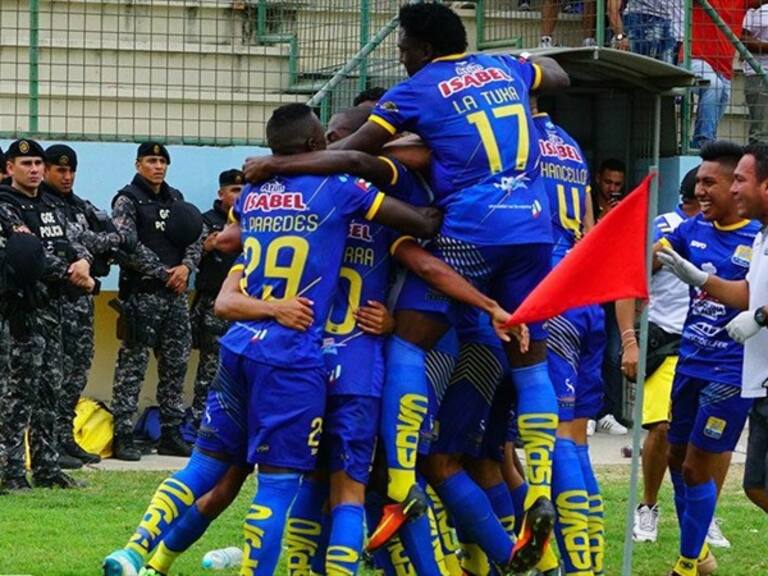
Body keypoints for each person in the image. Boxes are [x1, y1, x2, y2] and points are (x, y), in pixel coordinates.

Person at [102, 103, 444, 576]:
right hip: (304, 355)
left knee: (205, 470)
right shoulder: (342, 191)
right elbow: (422, 223)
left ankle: (137, 550)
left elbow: (232, 253)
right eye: (328, 140)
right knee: (296, 488)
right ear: (313, 146)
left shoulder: (253, 194)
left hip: (242, 346)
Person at [334, 3, 570, 571]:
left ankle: (401, 489)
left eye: (403, 47)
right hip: (533, 230)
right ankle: (538, 496)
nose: (401, 56)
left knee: (414, 365)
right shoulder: (502, 69)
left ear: (419, 46)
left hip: (467, 256)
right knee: (524, 369)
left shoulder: (412, 109)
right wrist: (520, 62)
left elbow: (358, 151)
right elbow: (558, 74)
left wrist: (282, 163)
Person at [654, 141, 759, 576]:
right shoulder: (691, 229)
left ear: (734, 188)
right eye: (698, 181)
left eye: (710, 182)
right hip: (690, 361)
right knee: (677, 459)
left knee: (698, 465)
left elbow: (752, 297)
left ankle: (684, 564)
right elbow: (654, 255)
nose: (701, 190)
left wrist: (701, 278)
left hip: (731, 371)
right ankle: (700, 555)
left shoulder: (758, 238)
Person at [532, 108, 606, 576]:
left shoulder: (518, 141)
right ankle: (591, 558)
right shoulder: (570, 144)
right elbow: (588, 219)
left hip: (549, 291)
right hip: (584, 290)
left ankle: (575, 567)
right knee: (576, 439)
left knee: (559, 435)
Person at [0, 138, 94, 490]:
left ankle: (46, 467)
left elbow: (72, 243)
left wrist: (82, 261)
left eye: (39, 163)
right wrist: (74, 273)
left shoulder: (51, 207)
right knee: (18, 393)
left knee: (49, 390)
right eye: (26, 164)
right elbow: (31, 256)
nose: (35, 170)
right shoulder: (6, 206)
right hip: (20, 312)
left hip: (52, 311)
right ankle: (10, 472)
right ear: (10, 168)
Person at [620, 167, 702, 544]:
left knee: (701, 436)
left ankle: (700, 511)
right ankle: (648, 506)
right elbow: (631, 278)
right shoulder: (667, 227)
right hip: (667, 338)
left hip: (709, 344)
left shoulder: (733, 232)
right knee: (662, 428)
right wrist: (630, 340)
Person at [109, 142, 203, 461]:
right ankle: (123, 433)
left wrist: (186, 268)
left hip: (175, 295)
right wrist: (164, 272)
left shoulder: (176, 198)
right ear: (138, 165)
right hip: (143, 293)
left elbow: (196, 238)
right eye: (151, 160)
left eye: (163, 161)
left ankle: (170, 432)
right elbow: (127, 244)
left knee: (175, 364)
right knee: (133, 365)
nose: (158, 166)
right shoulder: (127, 199)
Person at [42, 144, 128, 468]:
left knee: (77, 373)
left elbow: (115, 237)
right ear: (47, 170)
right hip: (55, 302)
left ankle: (66, 438)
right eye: (60, 170)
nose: (66, 176)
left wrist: (87, 250)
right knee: (53, 376)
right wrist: (87, 246)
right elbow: (65, 243)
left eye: (71, 170)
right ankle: (47, 443)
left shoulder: (81, 206)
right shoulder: (43, 207)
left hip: (81, 302)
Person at [189, 169, 244, 429]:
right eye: (234, 190)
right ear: (221, 193)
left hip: (246, 306)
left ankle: (234, 422)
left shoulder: (256, 220)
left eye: (243, 189)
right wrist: (207, 247)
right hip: (214, 305)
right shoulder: (205, 221)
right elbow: (188, 258)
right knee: (211, 367)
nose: (239, 195)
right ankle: (202, 422)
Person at [589, 158, 630, 436]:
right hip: (589, 287)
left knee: (614, 353)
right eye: (608, 182)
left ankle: (609, 412)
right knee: (590, 351)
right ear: (597, 178)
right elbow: (587, 242)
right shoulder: (587, 204)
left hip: (615, 289)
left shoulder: (624, 208)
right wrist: (605, 220)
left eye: (617, 184)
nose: (612, 188)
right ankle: (589, 411)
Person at [688, 0, 751, 148]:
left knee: (721, 96)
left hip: (723, 67)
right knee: (713, 85)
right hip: (695, 58)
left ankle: (705, 140)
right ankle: (704, 142)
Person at [741, 2, 768, 145]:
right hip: (759, 73)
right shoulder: (756, 12)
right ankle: (758, 165)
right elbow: (744, 38)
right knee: (761, 132)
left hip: (758, 72)